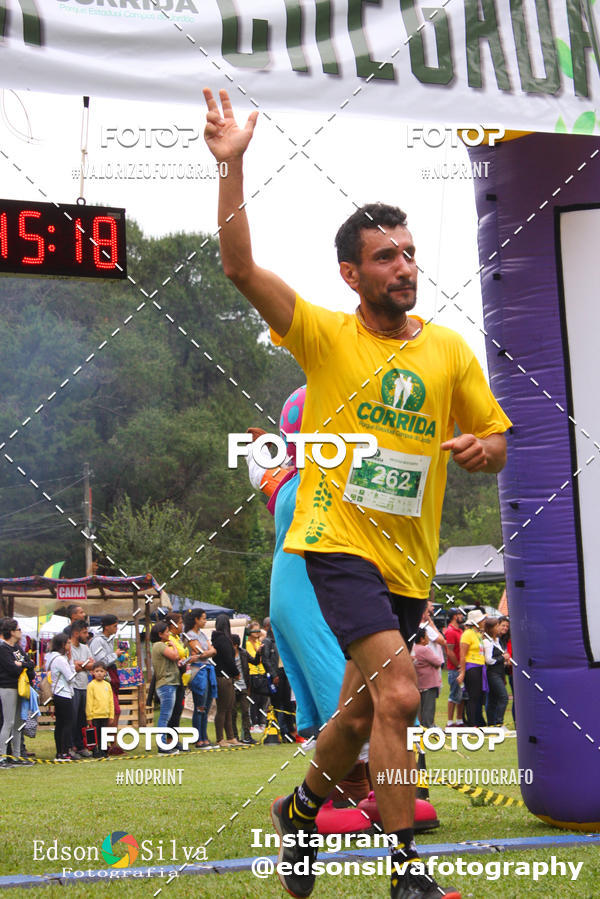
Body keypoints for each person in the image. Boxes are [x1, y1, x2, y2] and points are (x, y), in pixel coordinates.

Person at [203, 87, 511, 899]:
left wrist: (487, 449)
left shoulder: (449, 349)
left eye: (409, 252)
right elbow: (237, 266)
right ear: (352, 273)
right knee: (402, 693)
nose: (405, 265)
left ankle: (299, 811)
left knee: (353, 718)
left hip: (410, 563)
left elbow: (498, 438)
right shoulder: (322, 334)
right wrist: (233, 168)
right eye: (386, 256)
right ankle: (408, 876)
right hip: (337, 541)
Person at [0, 618, 35, 767]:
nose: (21, 632)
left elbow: (30, 665)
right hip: (7, 687)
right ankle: (2, 756)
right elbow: (11, 668)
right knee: (9, 722)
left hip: (21, 688)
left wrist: (22, 664)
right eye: (18, 629)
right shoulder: (3, 649)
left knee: (19, 723)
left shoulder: (17, 648)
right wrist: (23, 666)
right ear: (12, 632)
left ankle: (17, 755)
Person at [183, 608, 218, 748]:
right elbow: (200, 651)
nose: (205, 621)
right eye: (203, 618)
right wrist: (207, 653)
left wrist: (207, 653)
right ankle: (198, 738)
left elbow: (212, 651)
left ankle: (205, 737)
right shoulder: (189, 635)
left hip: (208, 671)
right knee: (200, 706)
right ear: (196, 620)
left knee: (207, 705)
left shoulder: (202, 634)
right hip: (198, 672)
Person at [89, 614, 122, 753]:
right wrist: (115, 655)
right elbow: (100, 662)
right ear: (107, 626)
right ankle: (107, 744)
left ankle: (110, 743)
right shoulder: (98, 641)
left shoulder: (109, 639)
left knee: (113, 712)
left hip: (110, 679)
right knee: (112, 712)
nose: (117, 628)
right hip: (103, 680)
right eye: (114, 626)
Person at [150, 622, 182, 754]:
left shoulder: (160, 646)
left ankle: (165, 744)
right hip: (166, 684)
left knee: (166, 715)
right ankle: (162, 746)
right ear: (160, 634)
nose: (169, 634)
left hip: (169, 683)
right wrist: (174, 646)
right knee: (165, 716)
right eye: (167, 632)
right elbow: (176, 656)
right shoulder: (159, 645)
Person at [212, 614, 243, 747]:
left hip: (224, 677)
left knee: (229, 708)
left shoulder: (218, 639)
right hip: (223, 677)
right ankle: (220, 738)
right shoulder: (223, 640)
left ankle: (230, 737)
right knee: (223, 709)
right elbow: (229, 660)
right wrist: (236, 673)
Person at [45, 632, 76, 761]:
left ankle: (60, 752)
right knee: (67, 723)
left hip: (57, 693)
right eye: (68, 643)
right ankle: (64, 752)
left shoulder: (51, 657)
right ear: (63, 644)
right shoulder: (61, 660)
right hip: (64, 694)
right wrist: (72, 663)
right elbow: (71, 677)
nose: (70, 645)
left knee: (60, 724)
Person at [457, 611, 488, 727]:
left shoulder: (477, 634)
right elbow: (462, 654)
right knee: (473, 696)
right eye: (482, 620)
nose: (484, 622)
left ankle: (478, 721)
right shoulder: (467, 634)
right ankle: (472, 723)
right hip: (471, 667)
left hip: (480, 667)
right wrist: (463, 672)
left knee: (479, 696)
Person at [69, 620, 94, 758]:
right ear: (76, 633)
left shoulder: (85, 648)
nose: (86, 634)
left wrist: (80, 665)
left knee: (82, 718)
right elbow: (71, 666)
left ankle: (80, 746)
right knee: (72, 718)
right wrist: (84, 665)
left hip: (84, 687)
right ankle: (70, 746)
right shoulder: (69, 647)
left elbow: (93, 664)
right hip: (73, 687)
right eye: (84, 632)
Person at [412, 627, 443, 728]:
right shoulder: (424, 649)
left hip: (420, 683)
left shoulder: (413, 649)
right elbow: (438, 662)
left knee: (421, 710)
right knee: (429, 709)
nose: (428, 638)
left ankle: (422, 728)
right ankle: (429, 728)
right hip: (429, 684)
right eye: (426, 636)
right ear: (422, 639)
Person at [86, 661, 115, 757]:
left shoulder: (107, 685)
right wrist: (89, 716)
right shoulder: (91, 685)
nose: (99, 673)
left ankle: (103, 750)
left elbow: (111, 701)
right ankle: (95, 751)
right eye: (97, 671)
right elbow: (89, 702)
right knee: (95, 734)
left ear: (105, 672)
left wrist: (111, 715)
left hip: (105, 715)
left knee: (103, 734)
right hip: (95, 715)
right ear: (92, 672)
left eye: (101, 671)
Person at [484, 618, 509, 727]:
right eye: (498, 626)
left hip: (500, 672)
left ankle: (492, 723)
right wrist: (502, 658)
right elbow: (489, 660)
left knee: (493, 699)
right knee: (503, 697)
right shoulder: (488, 642)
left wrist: (504, 660)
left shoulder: (498, 641)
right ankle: (498, 722)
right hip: (492, 673)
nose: (501, 628)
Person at [246, 620, 270, 732]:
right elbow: (254, 658)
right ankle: (254, 723)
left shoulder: (259, 643)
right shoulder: (248, 643)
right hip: (253, 673)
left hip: (262, 672)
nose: (256, 632)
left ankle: (261, 722)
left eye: (258, 630)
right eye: (254, 630)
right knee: (254, 700)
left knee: (263, 700)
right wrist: (259, 650)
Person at [231, 633, 254, 744]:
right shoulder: (227, 655)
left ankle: (247, 735)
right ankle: (234, 736)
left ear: (235, 645)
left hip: (243, 686)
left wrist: (259, 653)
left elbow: (255, 661)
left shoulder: (243, 653)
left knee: (245, 711)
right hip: (232, 686)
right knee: (233, 712)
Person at [443, 609, 465, 727]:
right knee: (454, 694)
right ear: (454, 616)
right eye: (460, 615)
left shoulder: (460, 630)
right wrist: (458, 665)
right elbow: (449, 651)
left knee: (461, 695)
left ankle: (460, 720)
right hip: (455, 669)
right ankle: (450, 722)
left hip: (461, 668)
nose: (462, 617)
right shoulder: (451, 632)